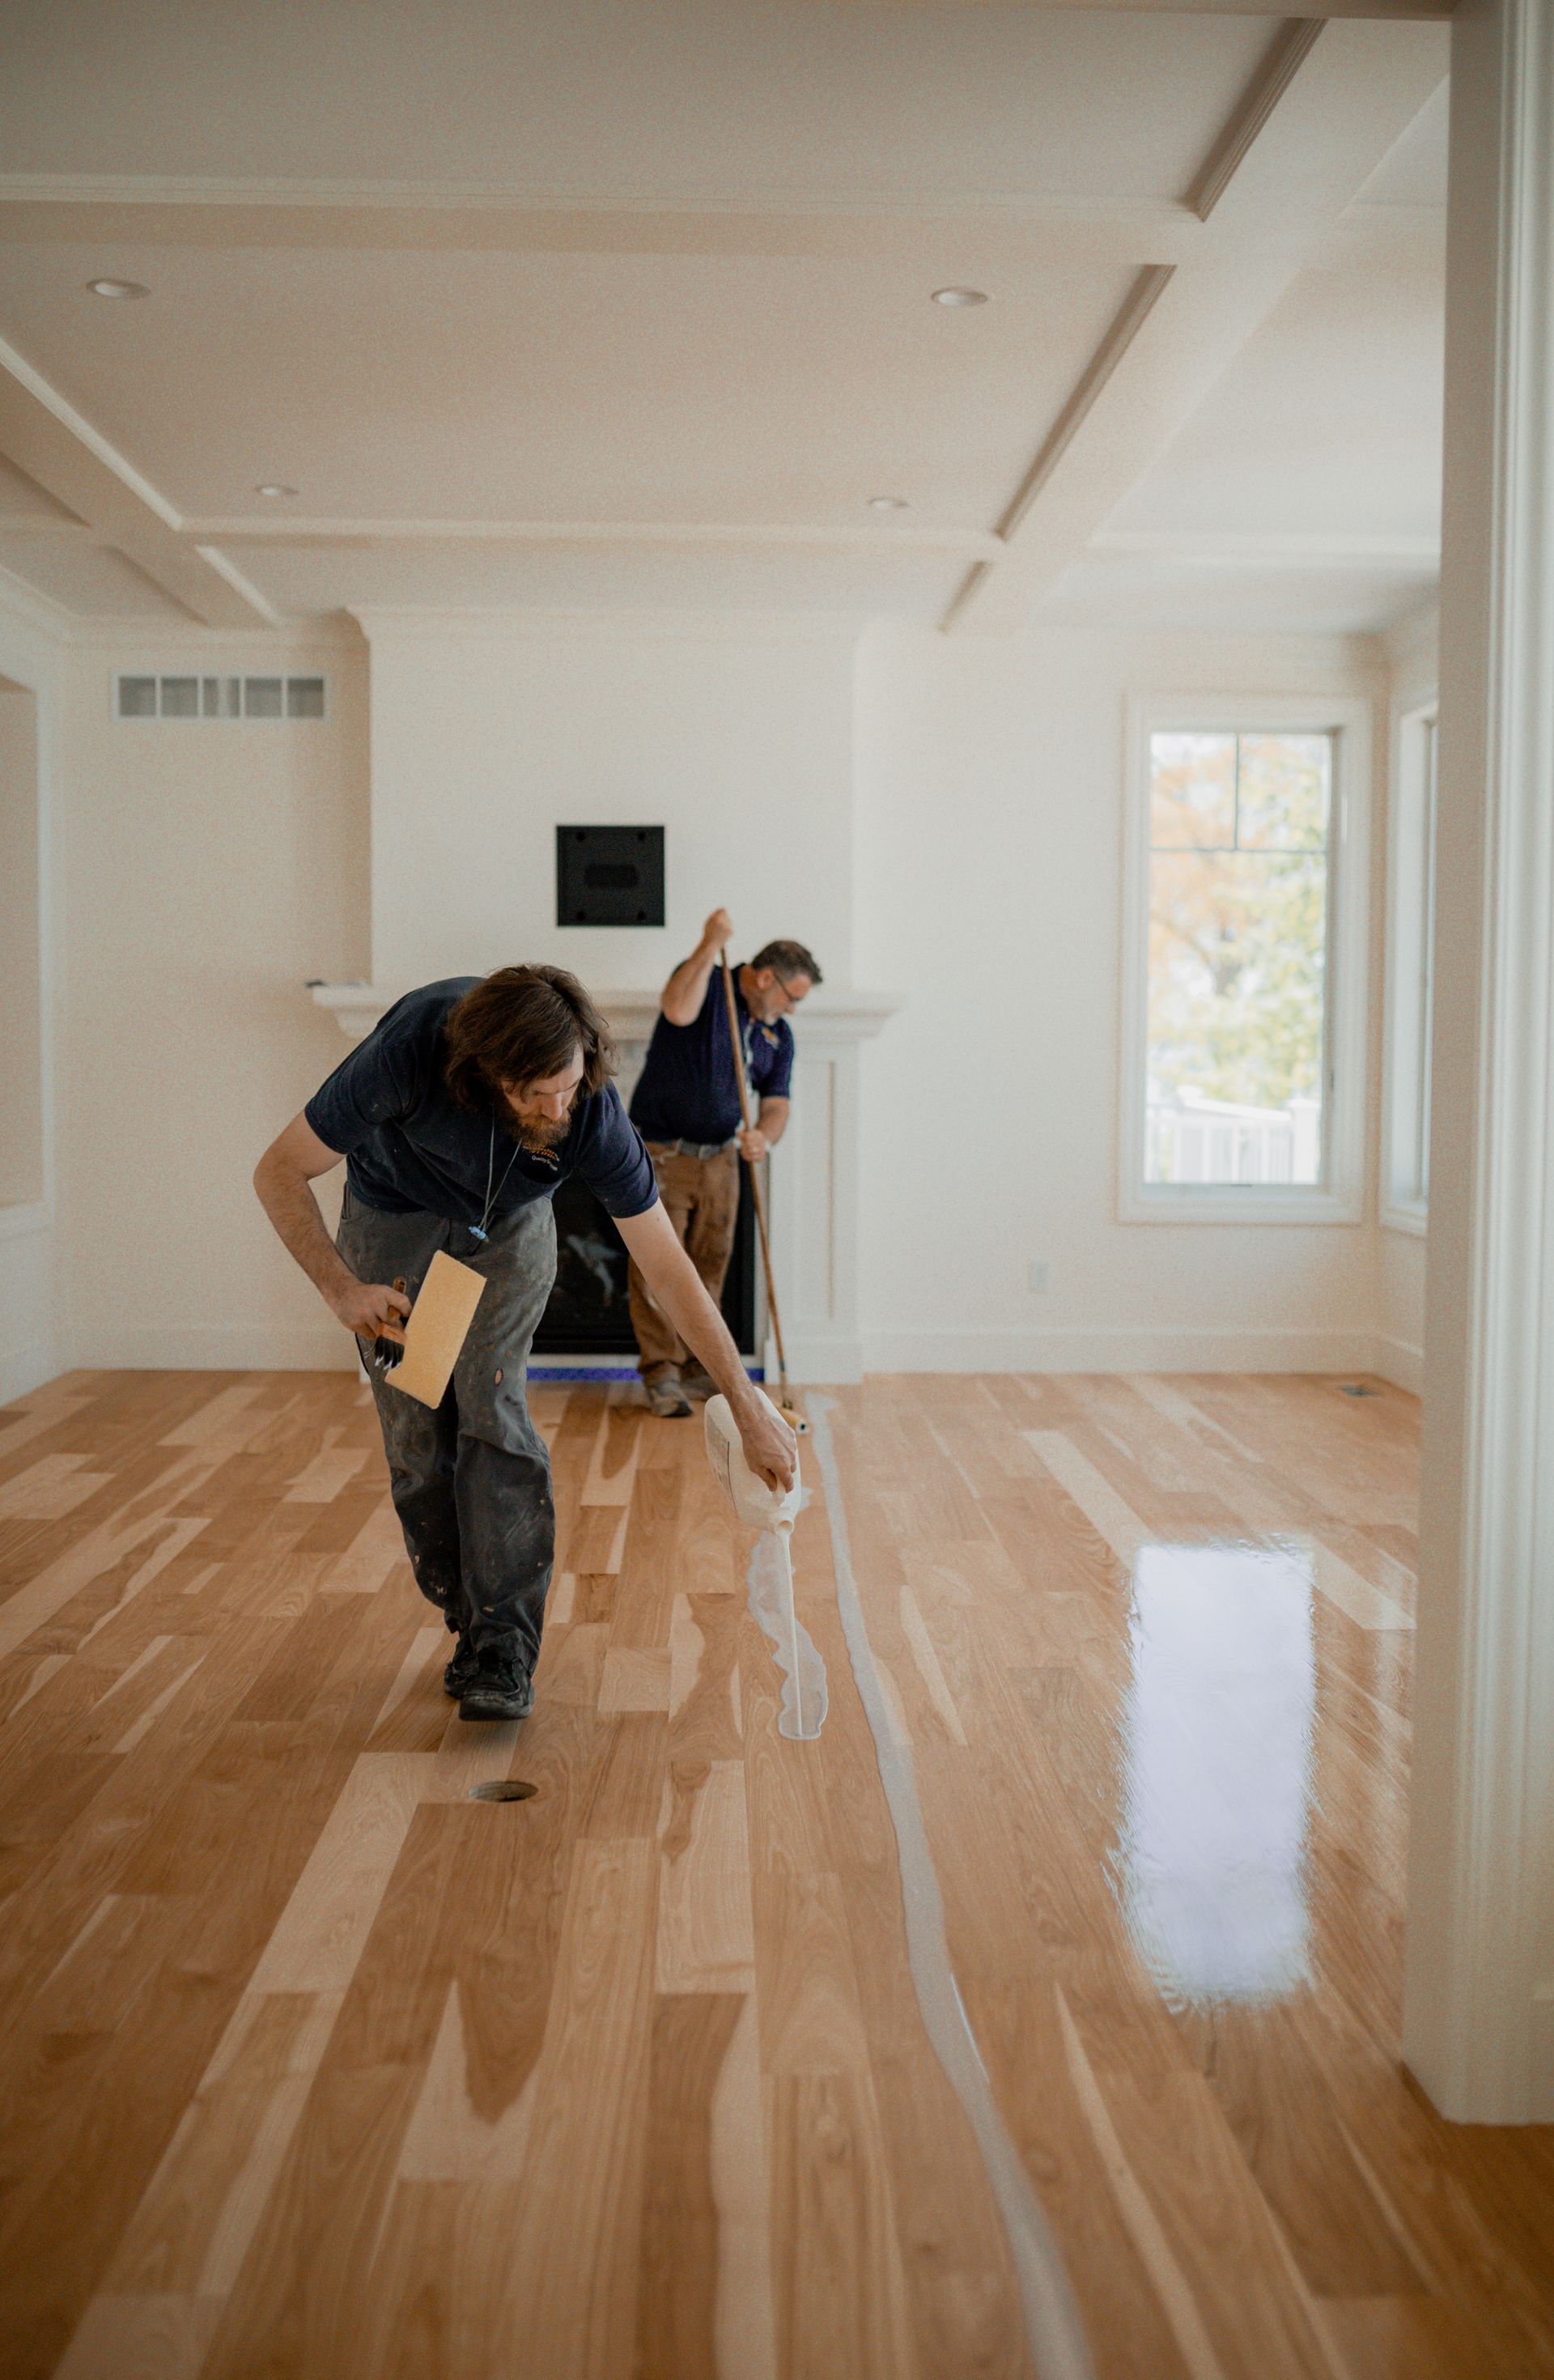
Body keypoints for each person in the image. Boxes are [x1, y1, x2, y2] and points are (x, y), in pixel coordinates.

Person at [253, 967, 796, 1722]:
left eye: (567, 1086)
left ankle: (502, 1647)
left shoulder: (592, 1115)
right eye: (533, 1094)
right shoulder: (410, 1049)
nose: (556, 1108)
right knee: (421, 1440)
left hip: (504, 1235)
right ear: (480, 1073)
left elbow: (669, 1270)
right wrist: (340, 1289)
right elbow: (278, 1170)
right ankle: (466, 1617)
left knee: (493, 1410)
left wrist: (747, 1406)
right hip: (398, 1221)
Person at [627, 911, 821, 1417]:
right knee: (657, 1268)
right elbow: (675, 1008)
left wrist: (764, 1137)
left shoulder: (777, 1034)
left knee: (710, 1265)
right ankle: (662, 1374)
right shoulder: (707, 983)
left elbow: (776, 1103)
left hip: (722, 1160)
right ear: (764, 978)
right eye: (792, 997)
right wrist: (709, 942)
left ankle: (699, 1366)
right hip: (663, 1153)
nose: (794, 1009)